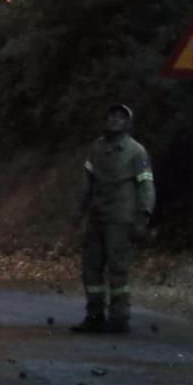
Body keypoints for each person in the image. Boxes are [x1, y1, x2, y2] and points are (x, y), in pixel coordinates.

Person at [72, 104, 156, 334]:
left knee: (118, 268)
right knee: (91, 268)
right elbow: (86, 180)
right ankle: (95, 315)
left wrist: (143, 216)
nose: (116, 120)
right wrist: (80, 209)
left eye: (122, 117)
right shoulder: (97, 148)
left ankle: (119, 319)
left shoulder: (136, 152)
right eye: (112, 116)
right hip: (97, 216)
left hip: (121, 218)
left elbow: (146, 185)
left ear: (128, 123)